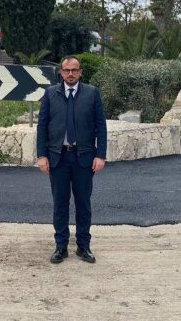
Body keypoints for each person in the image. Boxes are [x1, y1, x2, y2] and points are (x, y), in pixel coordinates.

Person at [36, 55, 107, 264]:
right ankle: (61, 247)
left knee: (83, 203)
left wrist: (100, 155)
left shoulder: (92, 94)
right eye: (66, 70)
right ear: (60, 72)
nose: (70, 74)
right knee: (60, 204)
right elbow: (42, 126)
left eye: (74, 70)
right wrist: (41, 155)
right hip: (57, 157)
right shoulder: (51, 94)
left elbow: (100, 127)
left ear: (80, 72)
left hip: (84, 158)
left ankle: (84, 246)